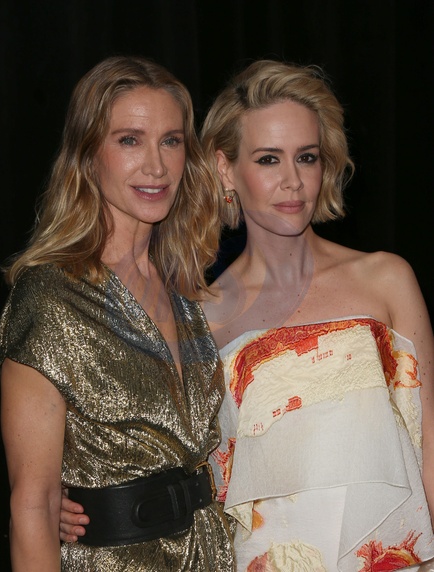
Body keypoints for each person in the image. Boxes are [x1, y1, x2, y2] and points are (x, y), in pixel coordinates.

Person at [59, 59, 434, 571]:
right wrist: (74, 504)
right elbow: (163, 455)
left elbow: (429, 444)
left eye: (306, 157)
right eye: (268, 159)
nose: (292, 181)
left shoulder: (387, 280)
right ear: (224, 169)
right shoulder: (197, 315)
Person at [0, 55, 235, 572]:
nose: (156, 166)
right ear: (88, 155)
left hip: (209, 555)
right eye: (130, 140)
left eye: (171, 141)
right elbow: (34, 506)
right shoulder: (51, 296)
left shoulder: (186, 291)